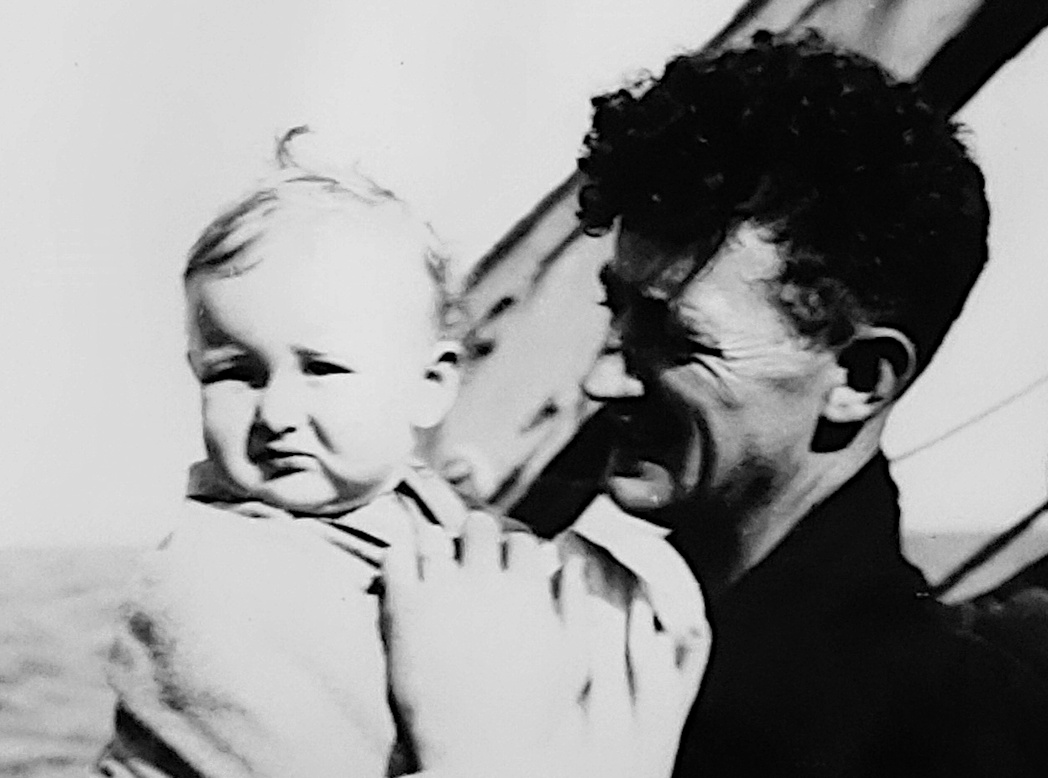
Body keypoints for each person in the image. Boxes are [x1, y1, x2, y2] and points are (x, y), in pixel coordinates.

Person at [94, 132, 708, 778]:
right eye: (233, 372)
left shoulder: (430, 518)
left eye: (321, 369)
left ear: (430, 386)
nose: (274, 413)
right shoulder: (214, 586)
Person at [572, 29, 1048, 777]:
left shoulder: (945, 739)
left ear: (861, 379)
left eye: (679, 339)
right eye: (617, 313)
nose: (600, 382)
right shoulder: (596, 621)